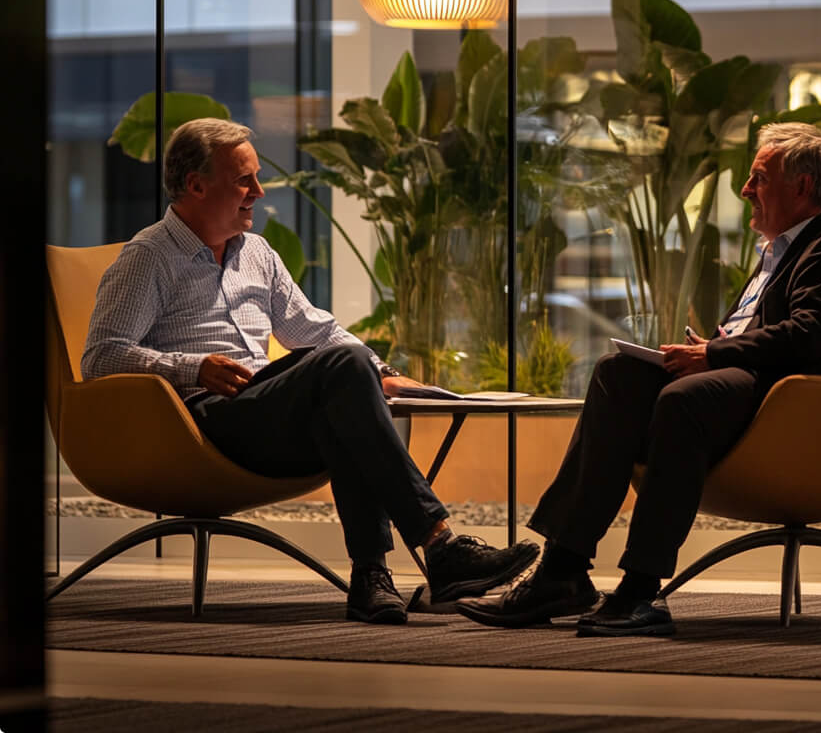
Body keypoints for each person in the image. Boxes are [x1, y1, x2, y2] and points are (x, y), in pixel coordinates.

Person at [82, 118, 538, 625]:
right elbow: (100, 357)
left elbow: (315, 330)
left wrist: (383, 371)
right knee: (345, 375)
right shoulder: (148, 257)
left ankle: (371, 577)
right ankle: (440, 548)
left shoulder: (257, 253)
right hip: (200, 424)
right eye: (244, 181)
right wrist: (193, 368)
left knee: (342, 402)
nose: (258, 192)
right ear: (196, 185)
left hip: (263, 412)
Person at [456, 122, 821, 637]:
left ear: (803, 187)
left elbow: (810, 332)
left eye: (760, 178)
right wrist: (710, 345)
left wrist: (713, 352)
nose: (746, 189)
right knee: (616, 374)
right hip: (742, 378)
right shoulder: (779, 248)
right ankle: (562, 569)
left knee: (682, 399)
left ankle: (641, 589)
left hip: (787, 399)